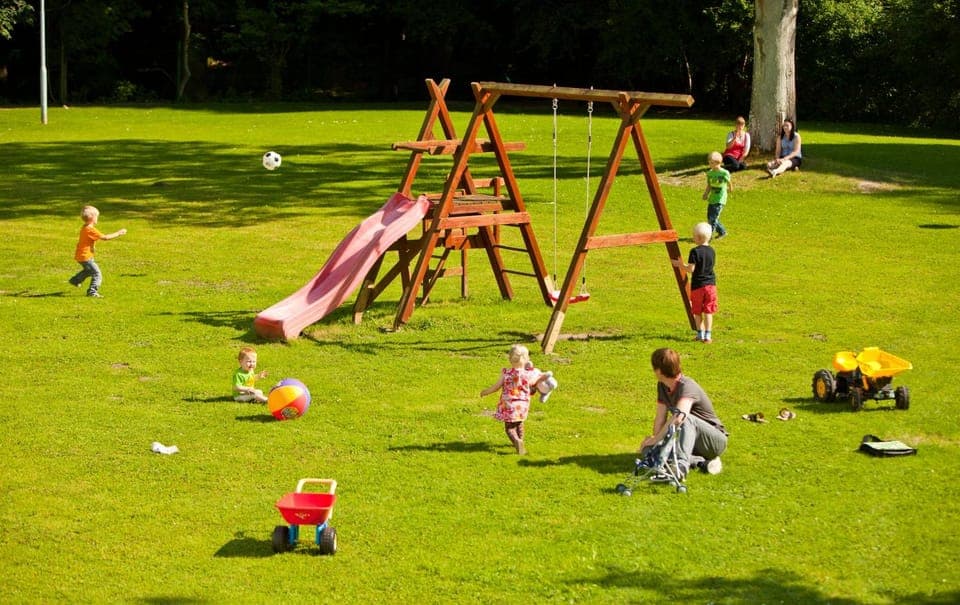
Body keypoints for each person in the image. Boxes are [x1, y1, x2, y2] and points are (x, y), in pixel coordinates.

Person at [640, 348, 728, 479]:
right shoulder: (662, 386)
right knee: (649, 451)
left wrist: (656, 440)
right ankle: (702, 463)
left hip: (713, 441)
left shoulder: (687, 386)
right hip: (688, 442)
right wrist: (654, 441)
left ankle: (681, 466)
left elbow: (679, 418)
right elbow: (660, 417)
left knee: (684, 417)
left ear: (658, 370)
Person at [480, 344, 551, 455]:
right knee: (519, 423)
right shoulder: (528, 375)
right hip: (522, 406)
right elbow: (535, 383)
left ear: (510, 359)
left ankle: (516, 441)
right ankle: (521, 440)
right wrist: (543, 380)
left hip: (508, 406)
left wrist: (485, 392)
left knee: (509, 428)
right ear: (527, 359)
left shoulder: (506, 374)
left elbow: (496, 387)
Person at [672, 222, 717, 343]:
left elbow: (691, 269)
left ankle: (700, 334)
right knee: (709, 310)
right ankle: (708, 335)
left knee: (697, 311)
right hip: (711, 285)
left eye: (693, 236)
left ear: (698, 238)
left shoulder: (695, 251)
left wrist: (680, 265)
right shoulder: (712, 251)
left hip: (698, 286)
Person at [68, 205, 127, 298]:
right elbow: (105, 237)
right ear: (92, 218)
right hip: (85, 256)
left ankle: (75, 280)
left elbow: (89, 240)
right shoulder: (90, 229)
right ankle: (92, 292)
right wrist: (119, 233)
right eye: (97, 217)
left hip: (81, 255)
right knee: (97, 273)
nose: (97, 219)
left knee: (88, 270)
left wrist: (92, 246)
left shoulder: (85, 227)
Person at [702, 151, 731, 239]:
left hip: (720, 198)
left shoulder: (724, 173)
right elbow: (709, 185)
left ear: (718, 163)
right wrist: (706, 194)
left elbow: (729, 181)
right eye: (709, 163)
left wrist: (730, 188)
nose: (710, 165)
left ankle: (709, 236)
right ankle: (722, 232)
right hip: (712, 198)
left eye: (711, 163)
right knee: (710, 217)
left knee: (713, 218)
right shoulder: (710, 173)